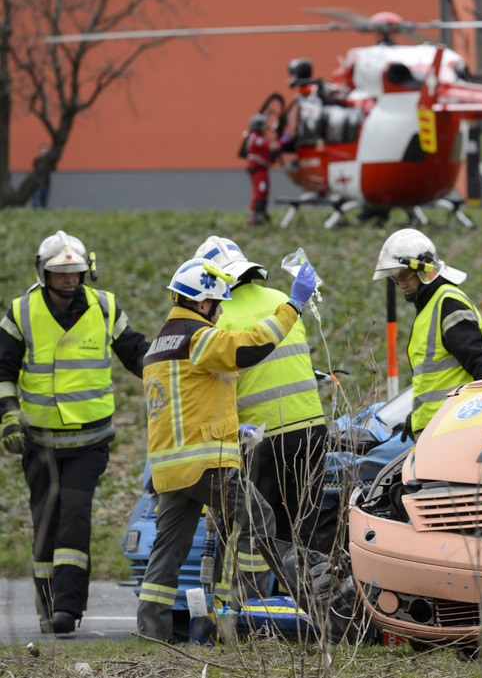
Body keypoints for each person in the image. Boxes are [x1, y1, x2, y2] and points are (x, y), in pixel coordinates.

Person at [137, 256, 319, 642]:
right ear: (201, 303)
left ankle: (151, 630)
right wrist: (294, 304)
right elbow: (250, 346)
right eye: (217, 305)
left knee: (168, 550)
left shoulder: (159, 345)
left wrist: (235, 428)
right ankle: (250, 611)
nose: (220, 312)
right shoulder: (198, 338)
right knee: (260, 519)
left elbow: (186, 407)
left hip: (170, 469)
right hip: (207, 465)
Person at [0, 230, 149, 635]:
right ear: (43, 273)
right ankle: (47, 607)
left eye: (76, 272)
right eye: (60, 273)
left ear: (88, 271)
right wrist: (9, 414)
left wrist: (171, 366)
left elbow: (137, 353)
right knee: (45, 523)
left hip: (89, 442)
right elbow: (3, 372)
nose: (69, 279)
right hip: (40, 444)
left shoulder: (105, 307)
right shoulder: (21, 312)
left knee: (73, 519)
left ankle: (68, 609)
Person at [192, 236, 328, 550]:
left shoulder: (218, 318)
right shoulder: (283, 299)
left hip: (260, 438)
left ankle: (271, 598)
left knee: (266, 536)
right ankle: (311, 596)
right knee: (305, 533)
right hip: (310, 430)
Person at [372, 229, 482, 439]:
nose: (401, 285)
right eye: (396, 279)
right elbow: (436, 379)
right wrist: (417, 417)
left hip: (453, 428)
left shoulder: (447, 303)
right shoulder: (431, 305)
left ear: (425, 269)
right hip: (438, 426)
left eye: (404, 276)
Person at [242, 113, 279, 226]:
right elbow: (271, 147)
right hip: (258, 170)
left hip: (261, 169)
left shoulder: (256, 136)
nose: (265, 127)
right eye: (263, 125)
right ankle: (253, 218)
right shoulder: (256, 138)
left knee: (263, 192)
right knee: (259, 193)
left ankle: (261, 214)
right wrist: (284, 139)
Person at [32, 144, 52, 208]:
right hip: (38, 183)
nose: (44, 150)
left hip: (46, 183)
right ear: (40, 150)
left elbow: (53, 169)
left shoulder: (50, 161)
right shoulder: (37, 161)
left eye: (46, 149)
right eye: (43, 149)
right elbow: (37, 170)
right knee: (36, 202)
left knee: (44, 202)